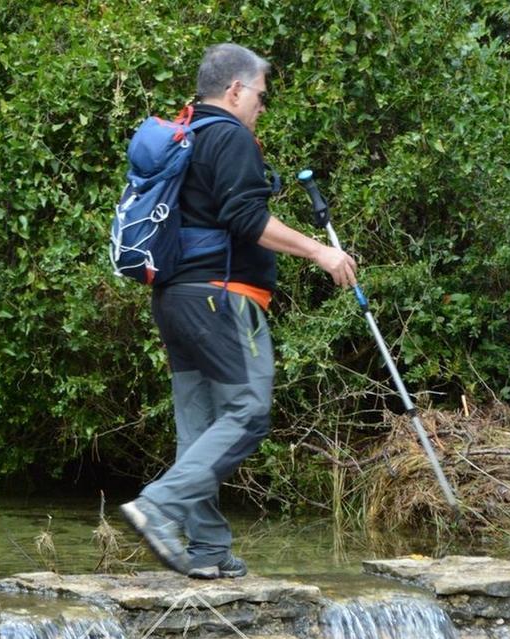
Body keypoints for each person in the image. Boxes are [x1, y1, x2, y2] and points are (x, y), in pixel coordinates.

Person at [119, 44, 357, 579]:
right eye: (260, 97)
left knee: (198, 426)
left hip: (175, 299)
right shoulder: (229, 136)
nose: (261, 108)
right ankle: (158, 507)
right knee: (249, 411)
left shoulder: (188, 135)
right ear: (234, 91)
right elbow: (247, 218)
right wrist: (321, 251)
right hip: (221, 297)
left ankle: (206, 548)